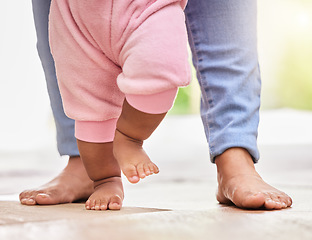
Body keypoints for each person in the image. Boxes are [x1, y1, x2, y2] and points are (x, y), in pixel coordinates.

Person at [20, 0, 292, 210]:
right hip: (75, 15)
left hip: (147, 7)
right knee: (85, 98)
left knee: (160, 71)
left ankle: (233, 154)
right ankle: (96, 172)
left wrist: (130, 135)